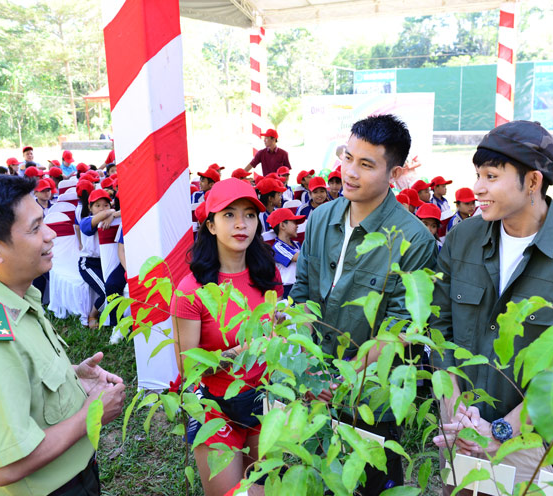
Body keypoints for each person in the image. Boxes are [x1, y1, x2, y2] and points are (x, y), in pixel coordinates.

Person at [0, 174, 125, 495]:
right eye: (36, 228)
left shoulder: (11, 295)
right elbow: (5, 465)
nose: (51, 235)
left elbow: (22, 382)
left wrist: (73, 379)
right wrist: (91, 414)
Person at [430, 120, 553, 484]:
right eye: (477, 175)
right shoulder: (462, 238)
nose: (477, 188)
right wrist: (455, 408)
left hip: (532, 439)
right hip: (459, 423)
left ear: (532, 182)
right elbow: (438, 327)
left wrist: (501, 430)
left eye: (490, 176)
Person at [291, 114, 437, 495]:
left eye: (366, 164)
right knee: (320, 474)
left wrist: (343, 379)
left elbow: (400, 328)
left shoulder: (413, 239)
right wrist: (310, 367)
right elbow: (303, 293)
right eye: (347, 157)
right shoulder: (321, 218)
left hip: (372, 395)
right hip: (315, 383)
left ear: (394, 172)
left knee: (372, 481)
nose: (350, 173)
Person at [171, 178, 282, 496]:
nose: (241, 224)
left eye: (249, 215)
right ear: (210, 224)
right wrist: (238, 354)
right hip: (215, 408)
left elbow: (273, 341)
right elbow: (188, 368)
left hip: (263, 405)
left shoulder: (267, 276)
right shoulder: (191, 290)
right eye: (229, 215)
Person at [78, 189, 120, 329]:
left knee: (113, 287)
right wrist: (110, 213)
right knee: (107, 291)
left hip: (107, 262)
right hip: (89, 264)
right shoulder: (86, 220)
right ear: (90, 208)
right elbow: (95, 222)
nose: (102, 208)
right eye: (97, 205)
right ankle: (93, 315)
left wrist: (112, 216)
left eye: (105, 205)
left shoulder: (113, 218)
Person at [267, 208, 305, 299]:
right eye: (294, 222)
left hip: (300, 285)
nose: (297, 226)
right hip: (287, 290)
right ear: (283, 225)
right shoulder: (277, 247)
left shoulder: (296, 244)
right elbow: (301, 259)